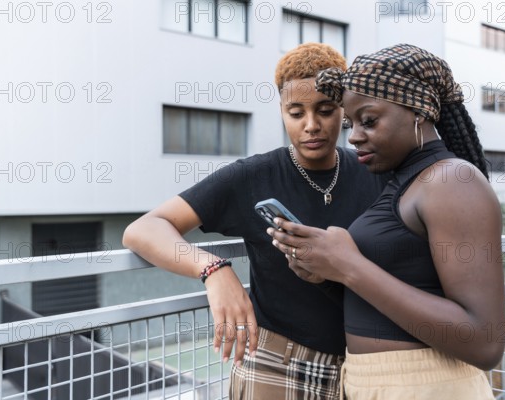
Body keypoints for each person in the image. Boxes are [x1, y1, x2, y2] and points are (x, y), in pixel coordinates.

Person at [122, 42, 388, 399]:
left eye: (325, 110)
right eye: (296, 113)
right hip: (276, 363)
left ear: (344, 109)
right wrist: (212, 269)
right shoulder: (253, 176)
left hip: (363, 366)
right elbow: (143, 229)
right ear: (281, 110)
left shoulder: (372, 169)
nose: (311, 125)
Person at [267, 43, 505, 399]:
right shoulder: (407, 181)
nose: (354, 136)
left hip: (427, 386)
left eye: (369, 120)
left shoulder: (453, 181)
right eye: (350, 123)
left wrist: (349, 266)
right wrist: (328, 274)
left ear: (418, 112)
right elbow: (400, 295)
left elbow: (484, 343)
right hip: (378, 383)